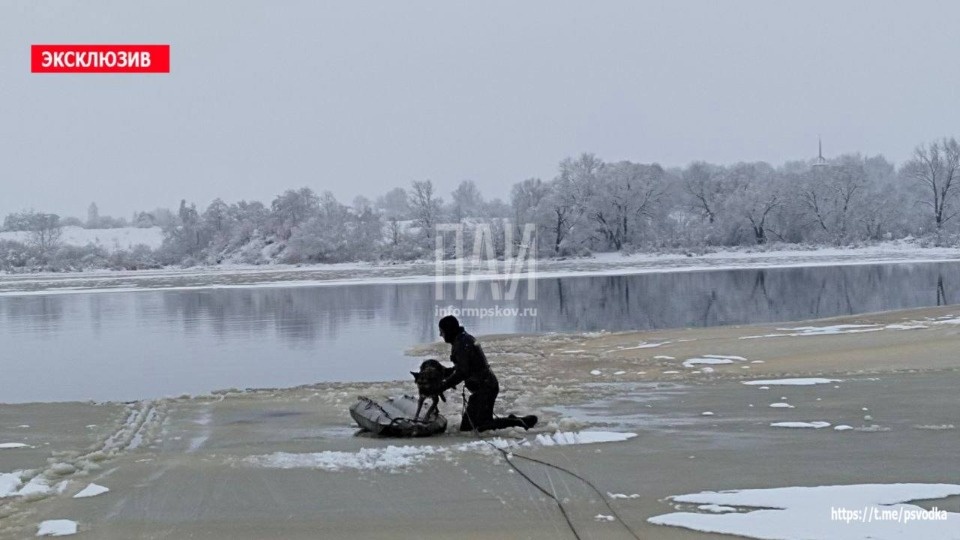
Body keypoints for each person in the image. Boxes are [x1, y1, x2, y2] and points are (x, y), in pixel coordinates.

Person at [436, 315, 538, 432]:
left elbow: (462, 372)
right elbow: (463, 368)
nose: (440, 335)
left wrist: (442, 386)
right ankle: (513, 420)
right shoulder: (461, 340)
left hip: (485, 388)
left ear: (449, 331)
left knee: (478, 427)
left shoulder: (462, 343)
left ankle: (516, 423)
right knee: (468, 427)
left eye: (442, 332)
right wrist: (445, 372)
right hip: (483, 387)